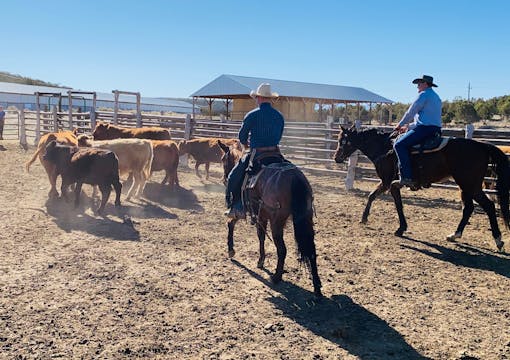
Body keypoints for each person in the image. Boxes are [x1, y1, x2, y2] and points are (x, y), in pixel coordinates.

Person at [224, 83, 284, 219]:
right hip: (276, 153)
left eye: (257, 97)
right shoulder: (279, 116)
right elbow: (279, 135)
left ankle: (235, 207)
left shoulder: (252, 115)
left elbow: (242, 136)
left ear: (259, 98)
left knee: (233, 176)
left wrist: (246, 144)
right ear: (269, 99)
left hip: (257, 153)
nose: (256, 100)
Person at [392, 75, 442, 188]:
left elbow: (411, 112)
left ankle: (407, 177)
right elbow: (427, 119)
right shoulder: (436, 97)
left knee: (399, 145)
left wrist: (399, 125)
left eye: (419, 83)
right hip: (435, 129)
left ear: (425, 84)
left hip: (424, 129)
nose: (417, 86)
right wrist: (408, 128)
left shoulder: (423, 95)